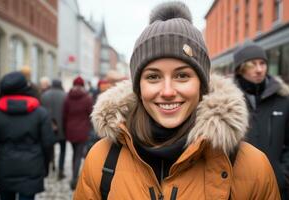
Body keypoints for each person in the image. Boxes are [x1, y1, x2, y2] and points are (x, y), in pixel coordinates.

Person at [74, 2, 280, 199]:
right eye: (153, 77)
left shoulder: (252, 167)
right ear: (138, 88)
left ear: (202, 85)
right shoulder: (101, 160)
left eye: (182, 76)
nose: (167, 91)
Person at [233, 40, 289, 199]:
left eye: (262, 63)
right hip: (240, 190)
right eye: (252, 64)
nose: (259, 69)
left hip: (279, 188)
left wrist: (283, 175)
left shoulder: (283, 99)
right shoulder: (227, 103)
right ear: (240, 68)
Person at [0, 71, 56, 200]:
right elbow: (48, 143)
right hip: (31, 169)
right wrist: (45, 167)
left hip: (5, 168)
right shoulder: (40, 113)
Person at [63, 76, 93, 190]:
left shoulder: (68, 97)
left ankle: (74, 175)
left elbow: (64, 115)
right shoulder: (87, 98)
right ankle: (75, 178)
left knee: (75, 153)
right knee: (78, 155)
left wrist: (65, 129)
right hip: (82, 131)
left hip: (70, 131)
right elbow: (91, 114)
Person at [41, 79, 67, 180]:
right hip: (62, 127)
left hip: (48, 127)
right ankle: (60, 170)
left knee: (49, 147)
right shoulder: (65, 96)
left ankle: (49, 166)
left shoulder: (44, 95)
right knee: (63, 150)